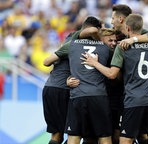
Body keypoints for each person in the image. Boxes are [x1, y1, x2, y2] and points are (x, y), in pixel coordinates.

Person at [82, 14, 148, 144]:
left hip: (133, 99)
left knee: (125, 140)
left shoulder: (122, 47)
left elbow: (112, 74)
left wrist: (94, 63)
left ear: (127, 28)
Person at [44, 16, 112, 144]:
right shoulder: (74, 39)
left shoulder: (75, 44)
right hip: (61, 88)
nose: (101, 34)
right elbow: (46, 61)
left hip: (63, 88)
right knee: (61, 135)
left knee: (75, 134)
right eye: (101, 30)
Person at [42, 32, 80, 144]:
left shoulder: (60, 51)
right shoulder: (75, 49)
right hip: (62, 90)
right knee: (74, 133)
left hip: (49, 88)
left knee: (56, 135)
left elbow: (47, 62)